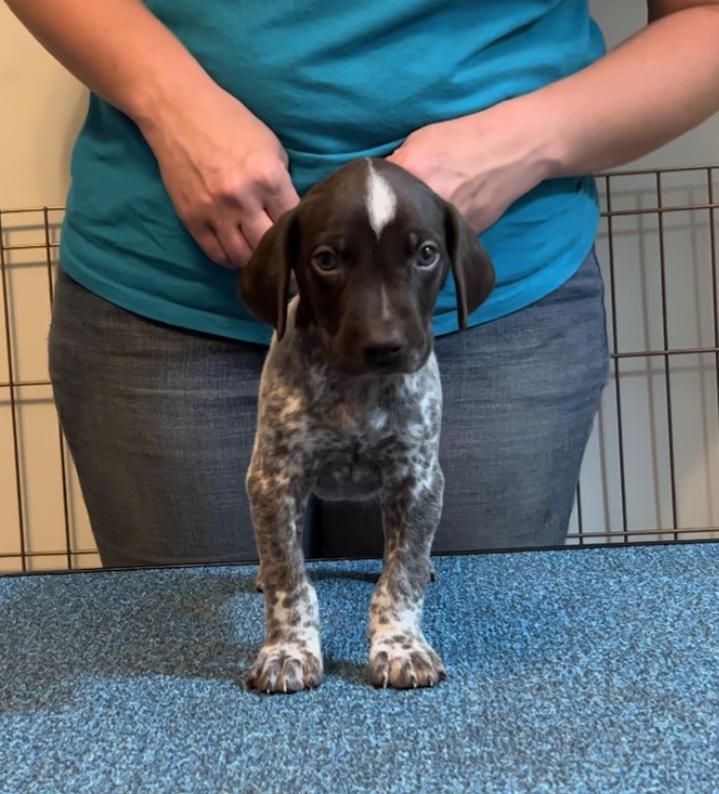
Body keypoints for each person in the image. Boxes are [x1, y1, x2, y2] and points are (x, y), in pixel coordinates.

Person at [6, 0, 719, 568]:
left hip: (485, 313)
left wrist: (521, 143)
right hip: (174, 293)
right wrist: (172, 107)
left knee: (456, 667)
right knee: (189, 674)